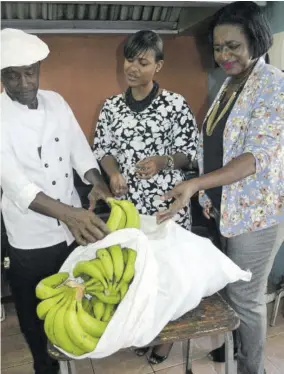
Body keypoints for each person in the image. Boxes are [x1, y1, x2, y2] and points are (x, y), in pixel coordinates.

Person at [157, 2, 284, 374]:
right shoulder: (231, 84)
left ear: (256, 42)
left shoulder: (273, 84)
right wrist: (183, 175)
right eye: (218, 47)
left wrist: (196, 184)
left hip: (254, 215)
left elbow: (256, 156)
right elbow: (214, 147)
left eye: (233, 47)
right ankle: (234, 353)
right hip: (224, 209)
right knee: (230, 293)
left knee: (245, 299)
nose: (224, 55)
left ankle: (252, 369)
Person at [1, 28, 113, 374]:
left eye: (29, 72)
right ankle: (44, 366)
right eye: (12, 75)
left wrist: (96, 183)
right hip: (30, 237)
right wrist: (72, 215)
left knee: (72, 300)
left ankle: (72, 353)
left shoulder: (56, 102)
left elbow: (80, 151)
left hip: (70, 234)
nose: (23, 82)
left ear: (39, 69)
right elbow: (16, 185)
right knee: (36, 311)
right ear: (1, 76)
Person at [93, 30, 199, 364]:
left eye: (143, 61)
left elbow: (191, 152)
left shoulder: (175, 104)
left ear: (159, 66)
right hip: (130, 208)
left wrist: (164, 161)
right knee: (140, 272)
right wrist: (112, 173)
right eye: (129, 59)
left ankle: (168, 340)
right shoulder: (111, 107)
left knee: (169, 273)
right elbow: (104, 150)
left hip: (169, 203)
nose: (133, 68)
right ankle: (150, 330)